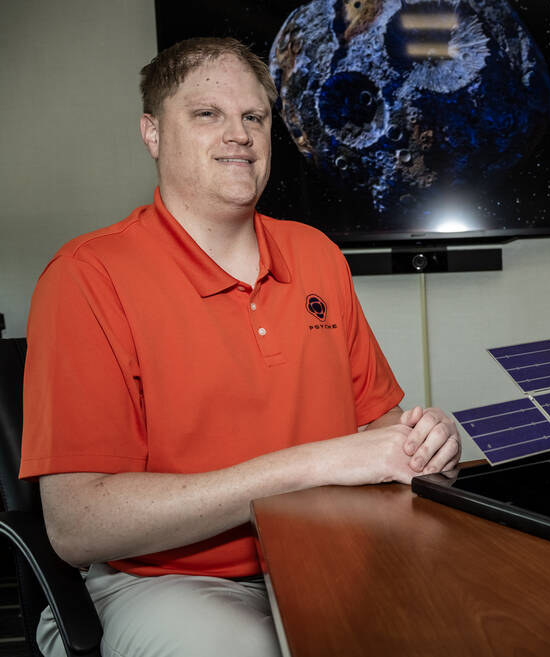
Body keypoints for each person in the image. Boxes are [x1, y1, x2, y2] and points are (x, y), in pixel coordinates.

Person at [20, 37, 461, 657]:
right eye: (208, 115)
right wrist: (308, 465)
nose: (241, 135)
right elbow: (77, 525)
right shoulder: (87, 277)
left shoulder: (317, 255)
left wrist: (424, 439)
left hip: (331, 555)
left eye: (254, 117)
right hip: (169, 582)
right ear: (151, 132)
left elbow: (377, 426)